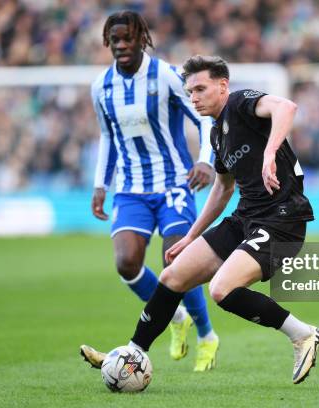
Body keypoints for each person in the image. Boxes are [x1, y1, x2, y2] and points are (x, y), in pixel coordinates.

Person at [105, 54, 319, 384]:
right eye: (189, 91)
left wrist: (269, 154)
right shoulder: (217, 135)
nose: (193, 98)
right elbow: (222, 189)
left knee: (222, 289)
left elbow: (286, 107)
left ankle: (303, 334)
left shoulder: (240, 103)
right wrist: (192, 236)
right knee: (173, 276)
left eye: (200, 89)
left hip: (282, 220)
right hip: (246, 218)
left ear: (222, 86)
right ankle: (132, 354)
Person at [80, 11, 219, 372]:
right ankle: (174, 317)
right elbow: (108, 137)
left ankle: (206, 334)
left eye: (128, 38)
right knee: (126, 261)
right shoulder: (101, 87)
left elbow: (203, 118)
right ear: (107, 43)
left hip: (174, 182)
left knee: (178, 261)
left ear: (143, 38)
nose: (122, 45)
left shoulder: (169, 76)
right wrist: (100, 184)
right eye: (115, 40)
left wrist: (205, 160)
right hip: (130, 188)